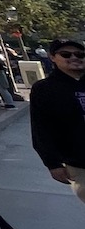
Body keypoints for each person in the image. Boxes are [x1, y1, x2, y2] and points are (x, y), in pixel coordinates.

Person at [29, 40, 85, 205]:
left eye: (80, 54)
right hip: (79, 163)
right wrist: (52, 163)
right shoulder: (44, 89)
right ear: (52, 57)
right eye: (66, 54)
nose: (74, 57)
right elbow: (41, 129)